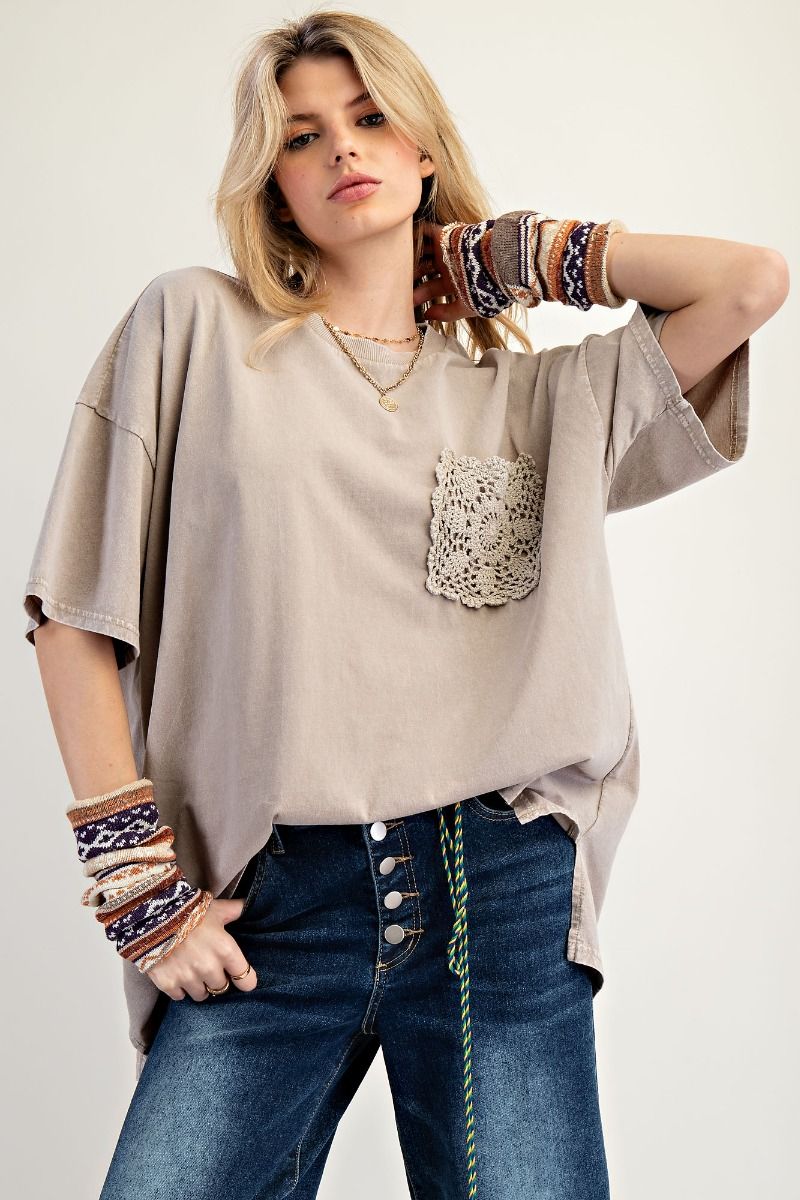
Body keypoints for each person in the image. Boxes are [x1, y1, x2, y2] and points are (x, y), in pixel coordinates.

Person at [23, 9, 787, 1200]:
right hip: (272, 901)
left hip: (499, 889)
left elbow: (746, 284)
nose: (341, 147)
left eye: (371, 117)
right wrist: (138, 890)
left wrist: (504, 257)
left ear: (422, 145)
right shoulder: (194, 329)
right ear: (272, 185)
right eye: (301, 135)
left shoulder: (531, 402)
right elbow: (75, 615)